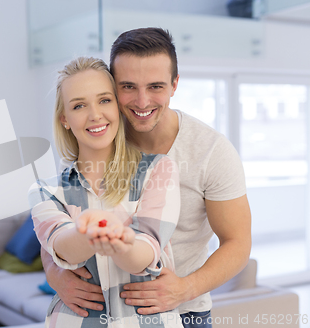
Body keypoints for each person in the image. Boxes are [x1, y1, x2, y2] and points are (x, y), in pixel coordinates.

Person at [42, 28, 252, 328]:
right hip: (106, 316)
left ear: (174, 85)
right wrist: (55, 272)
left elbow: (238, 243)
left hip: (183, 310)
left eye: (155, 86)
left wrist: (184, 288)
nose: (142, 102)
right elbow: (58, 218)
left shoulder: (211, 151)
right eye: (128, 86)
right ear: (113, 86)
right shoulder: (101, 133)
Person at [29, 56, 183, 327]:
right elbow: (63, 249)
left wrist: (120, 239)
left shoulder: (158, 171)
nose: (95, 115)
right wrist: (87, 232)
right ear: (64, 118)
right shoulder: (44, 190)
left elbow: (145, 253)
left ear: (118, 106)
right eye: (79, 105)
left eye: (104, 100)